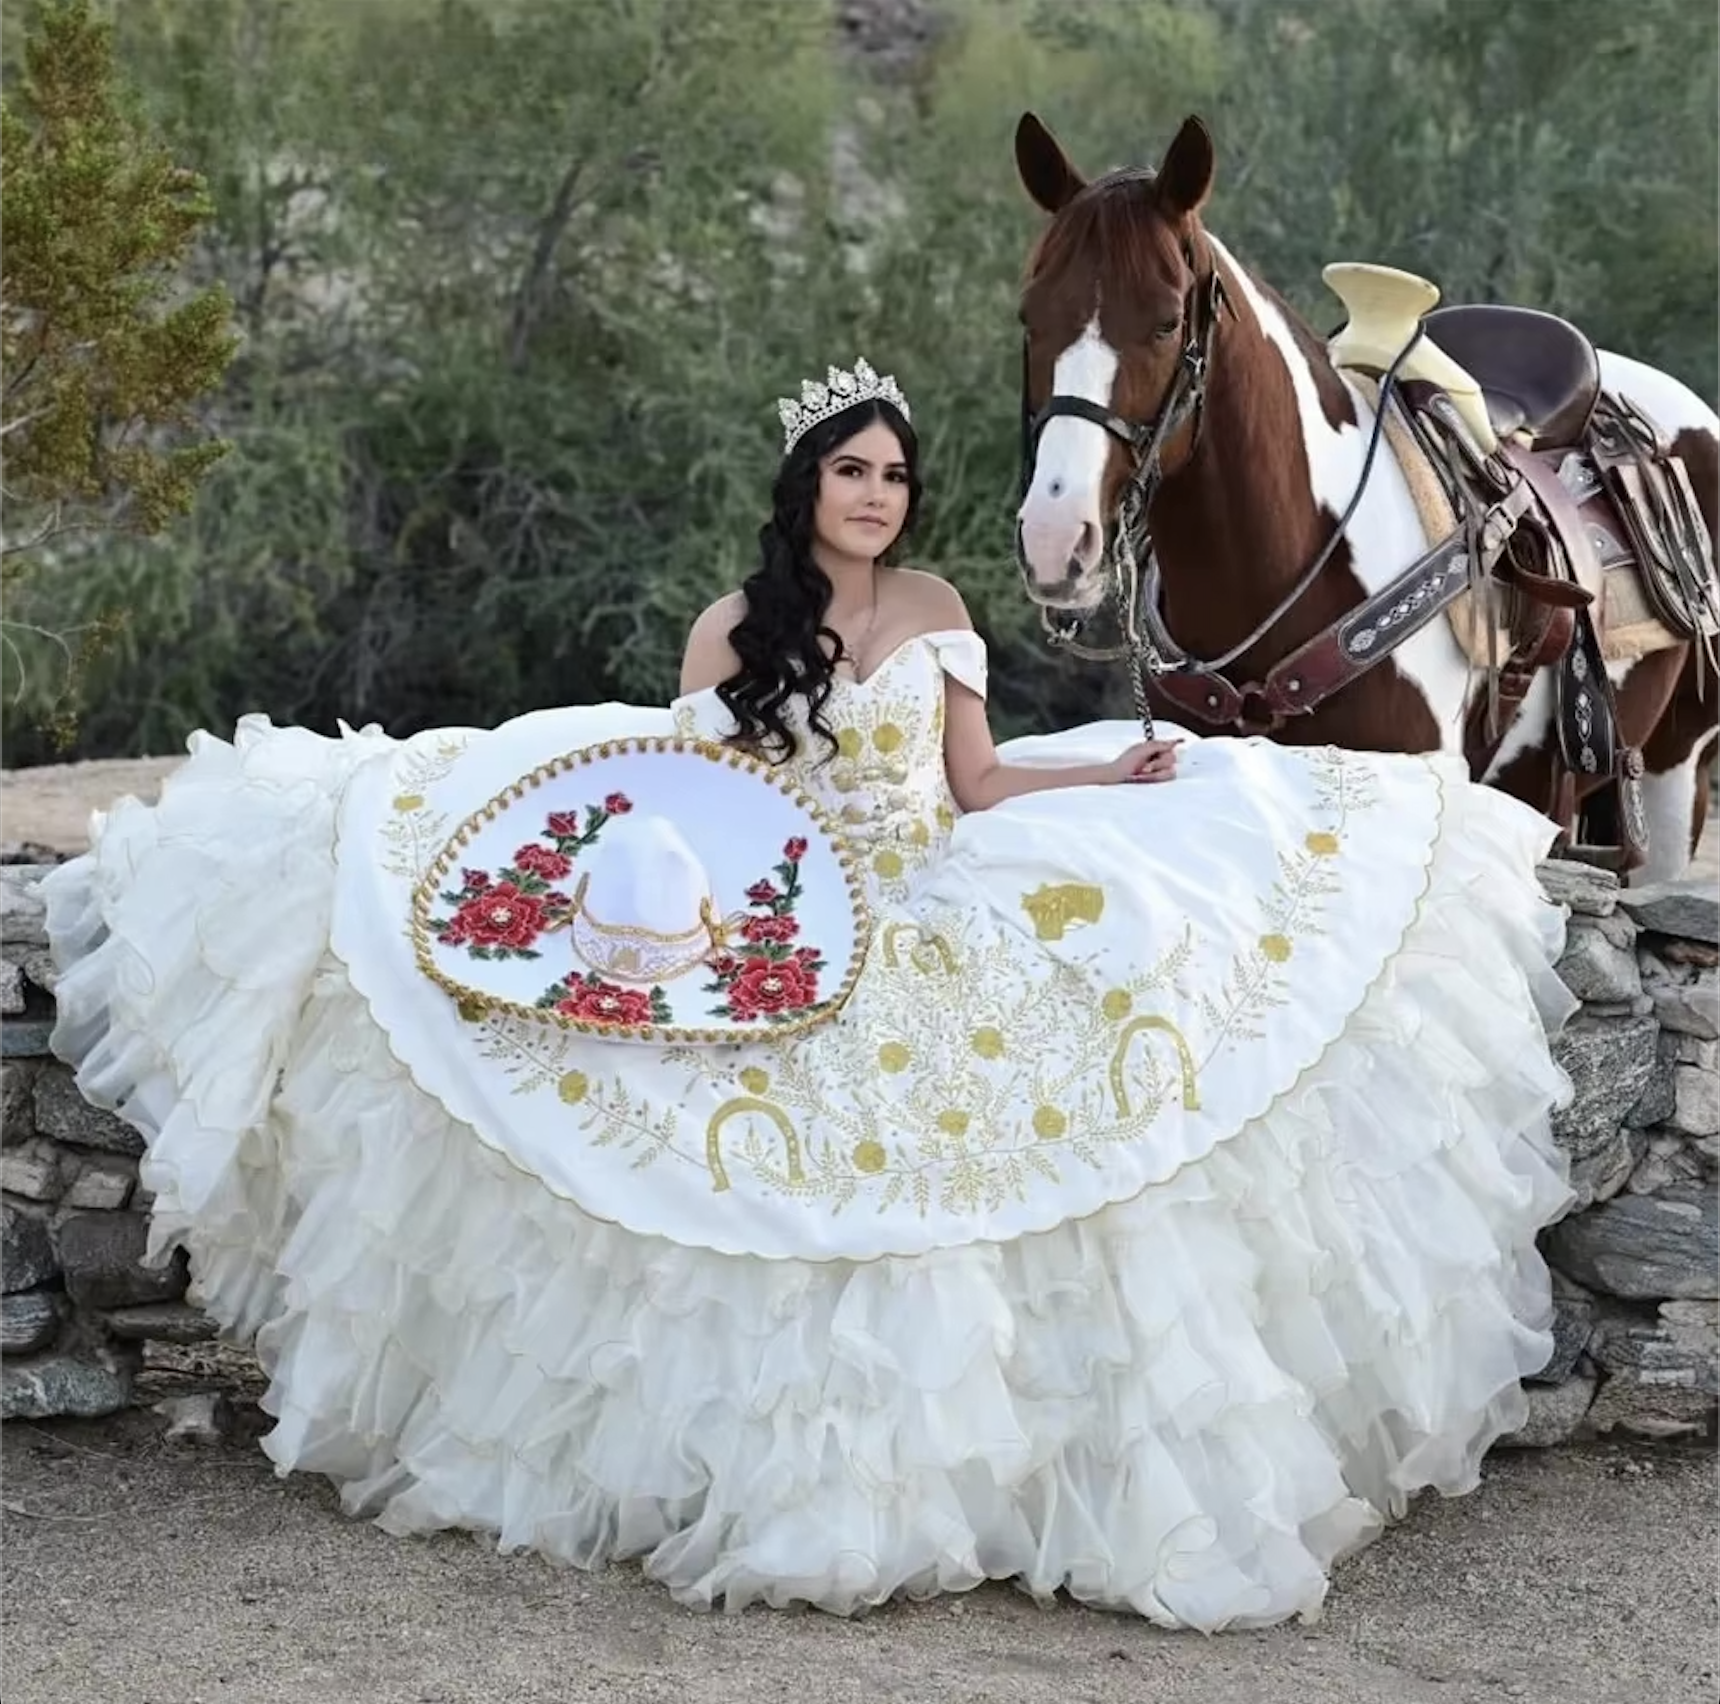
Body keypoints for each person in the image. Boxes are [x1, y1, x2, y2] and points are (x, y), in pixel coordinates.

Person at [42, 357, 1576, 1633]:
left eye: (896, 476)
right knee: (691, 1125)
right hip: (777, 904)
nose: (879, 497)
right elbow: (686, 803)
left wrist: (1109, 763)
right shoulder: (734, 628)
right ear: (807, 491)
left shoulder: (937, 606)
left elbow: (972, 785)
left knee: (1050, 1080)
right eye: (854, 473)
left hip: (928, 889)